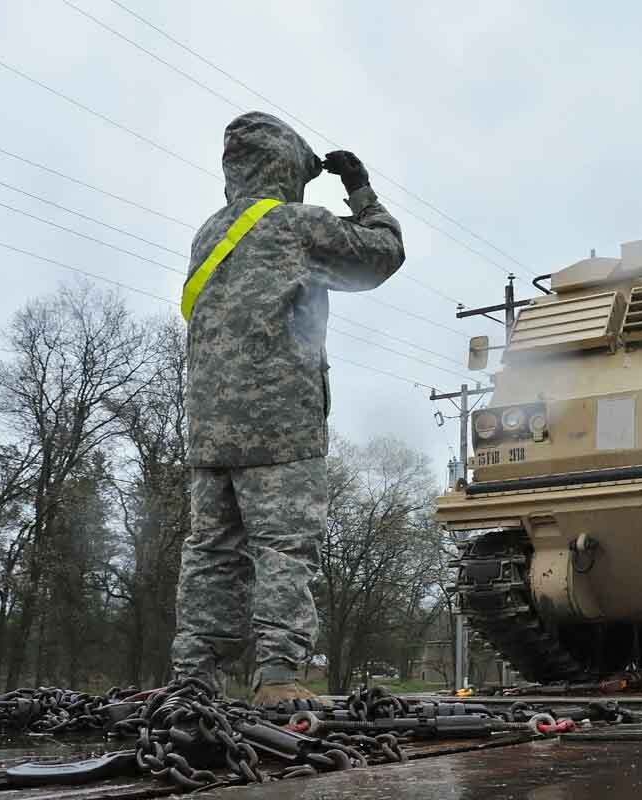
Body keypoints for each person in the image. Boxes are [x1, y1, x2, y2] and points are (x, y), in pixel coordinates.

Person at [171, 111, 404, 705]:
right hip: (282, 427)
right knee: (282, 548)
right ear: (288, 169)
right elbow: (381, 255)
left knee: (211, 553)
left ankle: (196, 676)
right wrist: (361, 190)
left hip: (208, 431)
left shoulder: (208, 232)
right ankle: (277, 677)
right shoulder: (297, 227)